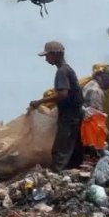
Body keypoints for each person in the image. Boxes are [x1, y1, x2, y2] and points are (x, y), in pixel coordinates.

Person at [29, 41, 84, 172]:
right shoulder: (68, 69)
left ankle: (58, 175)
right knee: (72, 148)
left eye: (47, 56)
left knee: (60, 150)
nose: (46, 59)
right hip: (75, 114)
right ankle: (72, 172)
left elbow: (62, 94)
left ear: (55, 55)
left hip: (69, 115)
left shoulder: (62, 72)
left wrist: (40, 102)